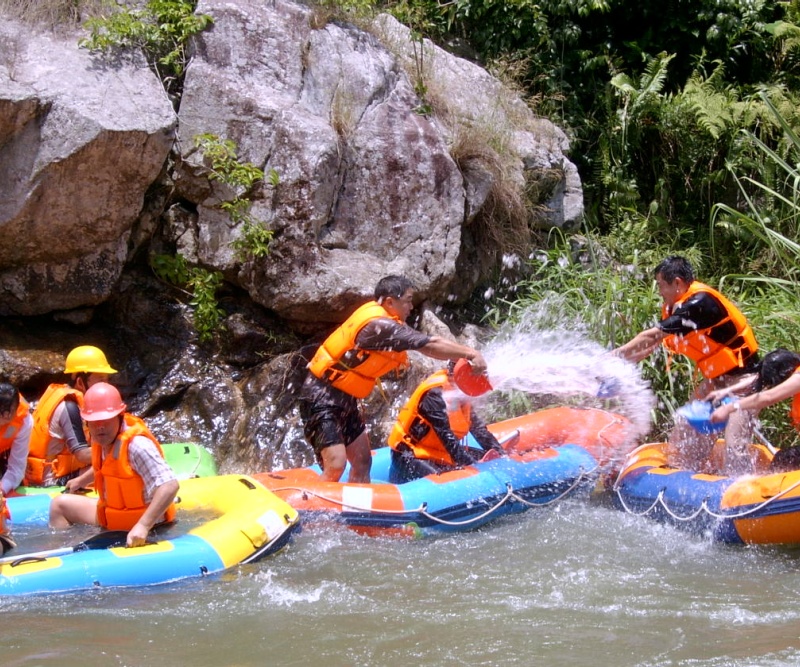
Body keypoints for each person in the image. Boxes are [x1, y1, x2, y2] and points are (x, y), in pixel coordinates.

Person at [300, 275, 490, 484]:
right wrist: (470, 354)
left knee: (363, 462)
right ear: (390, 301)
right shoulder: (378, 326)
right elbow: (429, 344)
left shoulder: (389, 322)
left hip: (346, 399)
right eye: (407, 300)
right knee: (336, 465)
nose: (411, 306)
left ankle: (358, 514)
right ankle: (317, 514)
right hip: (320, 397)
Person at [613, 255, 759, 472]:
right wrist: (619, 366)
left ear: (678, 283)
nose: (660, 291)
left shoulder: (700, 304)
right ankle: (681, 476)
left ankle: (743, 493)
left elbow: (650, 336)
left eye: (662, 285)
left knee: (734, 442)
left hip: (744, 381)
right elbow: (651, 346)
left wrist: (612, 356)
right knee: (686, 431)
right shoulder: (677, 307)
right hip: (716, 382)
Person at [49, 382, 179, 548]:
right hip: (112, 517)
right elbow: (106, 467)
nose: (100, 427)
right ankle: (64, 552)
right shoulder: (101, 441)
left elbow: (170, 485)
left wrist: (143, 526)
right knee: (59, 505)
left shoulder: (138, 446)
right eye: (94, 421)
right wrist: (81, 480)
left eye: (106, 420)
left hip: (149, 526)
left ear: (120, 416)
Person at [387, 359, 505, 483]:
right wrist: (473, 466)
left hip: (439, 453)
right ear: (463, 378)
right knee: (450, 481)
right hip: (411, 455)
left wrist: (500, 453)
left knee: (488, 461)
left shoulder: (461, 391)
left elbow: (478, 429)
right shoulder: (434, 395)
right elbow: (447, 437)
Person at [25, 345, 117, 487]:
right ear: (80, 382)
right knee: (116, 467)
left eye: (107, 380)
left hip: (59, 472)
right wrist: (118, 449)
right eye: (101, 380)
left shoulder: (74, 400)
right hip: (52, 479)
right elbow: (82, 455)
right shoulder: (69, 407)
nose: (106, 386)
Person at [710, 348, 800, 471]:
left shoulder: (797, 378)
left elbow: (769, 397)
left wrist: (729, 407)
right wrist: (726, 390)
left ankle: (771, 489)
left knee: (783, 460)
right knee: (784, 459)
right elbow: (758, 379)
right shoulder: (792, 365)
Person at [0, 382, 33, 496]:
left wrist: (2, 489)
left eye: (9, 412)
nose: (6, 416)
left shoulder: (24, 420)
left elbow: (17, 467)